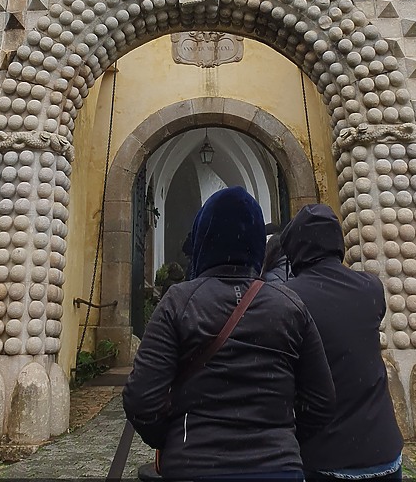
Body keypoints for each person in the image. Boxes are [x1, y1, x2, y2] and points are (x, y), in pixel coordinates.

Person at [123, 186, 336, 481]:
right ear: (256, 244)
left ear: (204, 239)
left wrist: (173, 439)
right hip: (276, 468)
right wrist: (281, 440)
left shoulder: (178, 302)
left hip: (194, 467)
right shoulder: (289, 305)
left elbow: (141, 400)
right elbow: (322, 400)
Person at [281, 204, 404, 482]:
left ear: (295, 248)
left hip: (324, 455)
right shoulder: (371, 287)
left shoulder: (286, 297)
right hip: (382, 449)